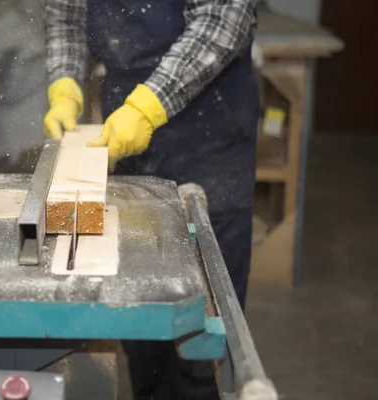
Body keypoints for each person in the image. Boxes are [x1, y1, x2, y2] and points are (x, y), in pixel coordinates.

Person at [43, 0, 260, 399]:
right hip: (124, 115)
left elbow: (223, 19)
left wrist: (146, 108)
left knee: (205, 314)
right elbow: (65, 16)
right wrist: (66, 86)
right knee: (138, 301)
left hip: (209, 120)